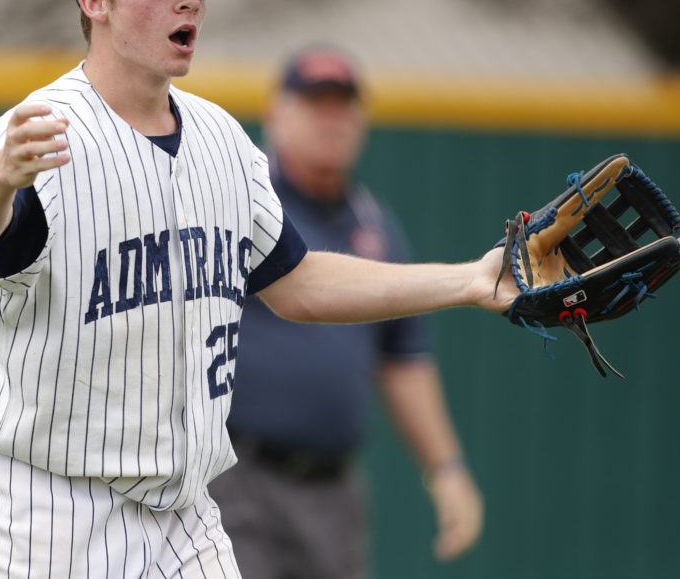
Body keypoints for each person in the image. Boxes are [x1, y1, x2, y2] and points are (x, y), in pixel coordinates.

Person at [0, 0, 516, 578]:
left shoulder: (221, 141)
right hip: (47, 515)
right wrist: (2, 176)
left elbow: (299, 283)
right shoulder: (43, 131)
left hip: (185, 516)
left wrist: (470, 279)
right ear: (94, 0)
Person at [207, 45, 483, 579]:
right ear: (277, 114)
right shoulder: (242, 199)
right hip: (234, 480)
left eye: (342, 105)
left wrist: (446, 469)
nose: (331, 120)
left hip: (333, 490)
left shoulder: (373, 223)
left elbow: (404, 357)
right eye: (315, 103)